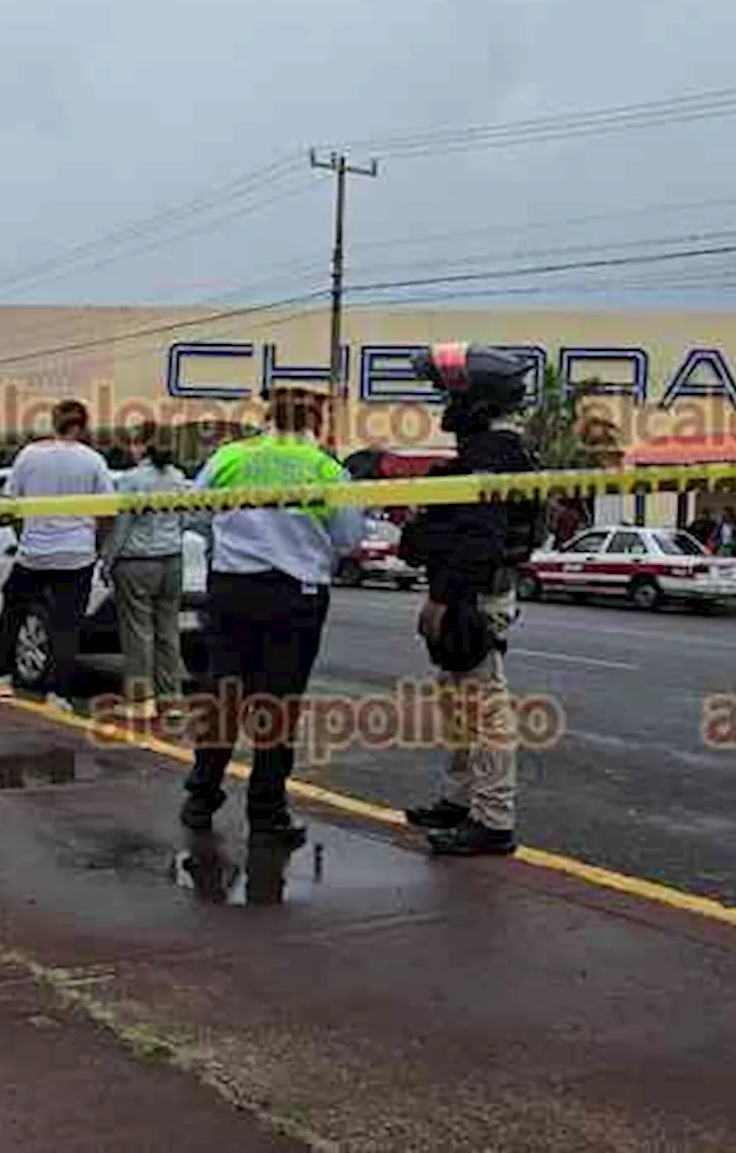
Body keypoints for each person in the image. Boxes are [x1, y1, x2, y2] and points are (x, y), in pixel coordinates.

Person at [179, 386, 365, 847]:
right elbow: (347, 538)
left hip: (231, 589)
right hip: (293, 595)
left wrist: (233, 537)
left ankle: (201, 797)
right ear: (313, 423)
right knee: (277, 705)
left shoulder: (230, 457)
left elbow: (192, 514)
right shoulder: (325, 467)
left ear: (268, 416)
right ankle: (266, 814)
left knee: (222, 695)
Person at [400, 343, 545, 857]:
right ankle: (461, 800)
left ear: (477, 402)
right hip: (472, 592)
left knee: (485, 709)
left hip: (473, 599)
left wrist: (442, 598)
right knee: (460, 703)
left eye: (449, 395)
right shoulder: (493, 452)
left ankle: (493, 820)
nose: (443, 407)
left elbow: (480, 540)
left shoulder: (490, 455)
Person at [0, 400, 114, 711]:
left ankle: (1, 676)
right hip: (76, 555)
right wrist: (96, 547)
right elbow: (108, 512)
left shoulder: (29, 455)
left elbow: (10, 504)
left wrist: (23, 535)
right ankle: (59, 694)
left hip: (33, 553)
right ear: (83, 425)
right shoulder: (93, 460)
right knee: (67, 625)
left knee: (12, 610)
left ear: (54, 422)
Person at [101, 421, 188, 719]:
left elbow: (122, 526)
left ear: (143, 446)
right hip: (172, 559)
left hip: (137, 561)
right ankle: (171, 698)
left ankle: (141, 699)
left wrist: (107, 561)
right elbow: (184, 520)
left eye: (135, 442)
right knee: (168, 630)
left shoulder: (131, 479)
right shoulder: (178, 477)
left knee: (138, 632)